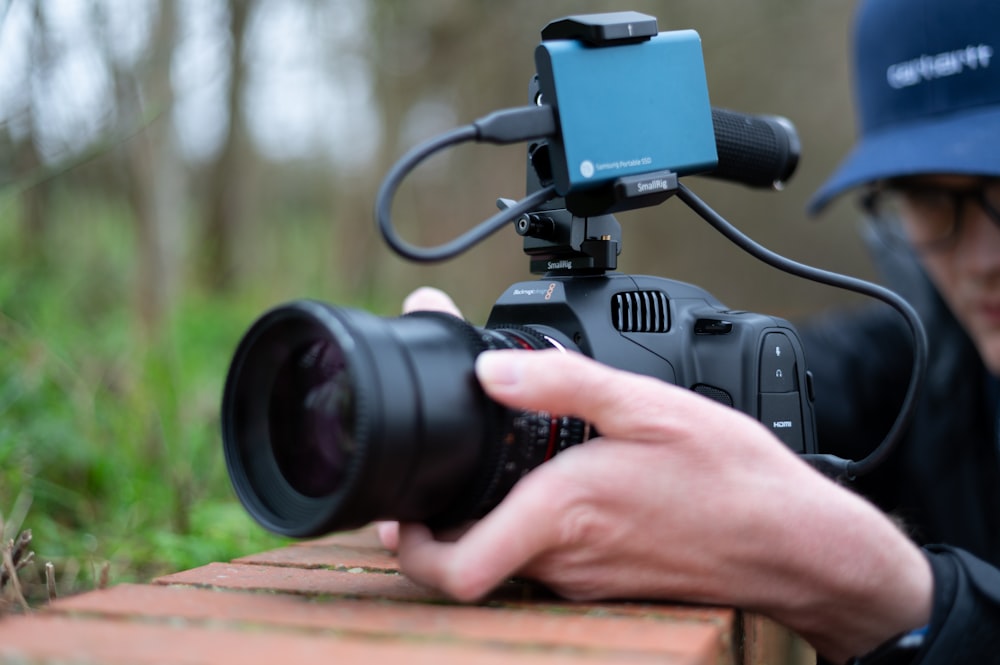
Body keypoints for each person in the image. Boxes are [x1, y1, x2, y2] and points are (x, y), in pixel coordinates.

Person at [380, 0, 1000, 662]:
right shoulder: (915, 368)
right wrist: (476, 411)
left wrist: (881, 591)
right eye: (930, 200)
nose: (982, 259)